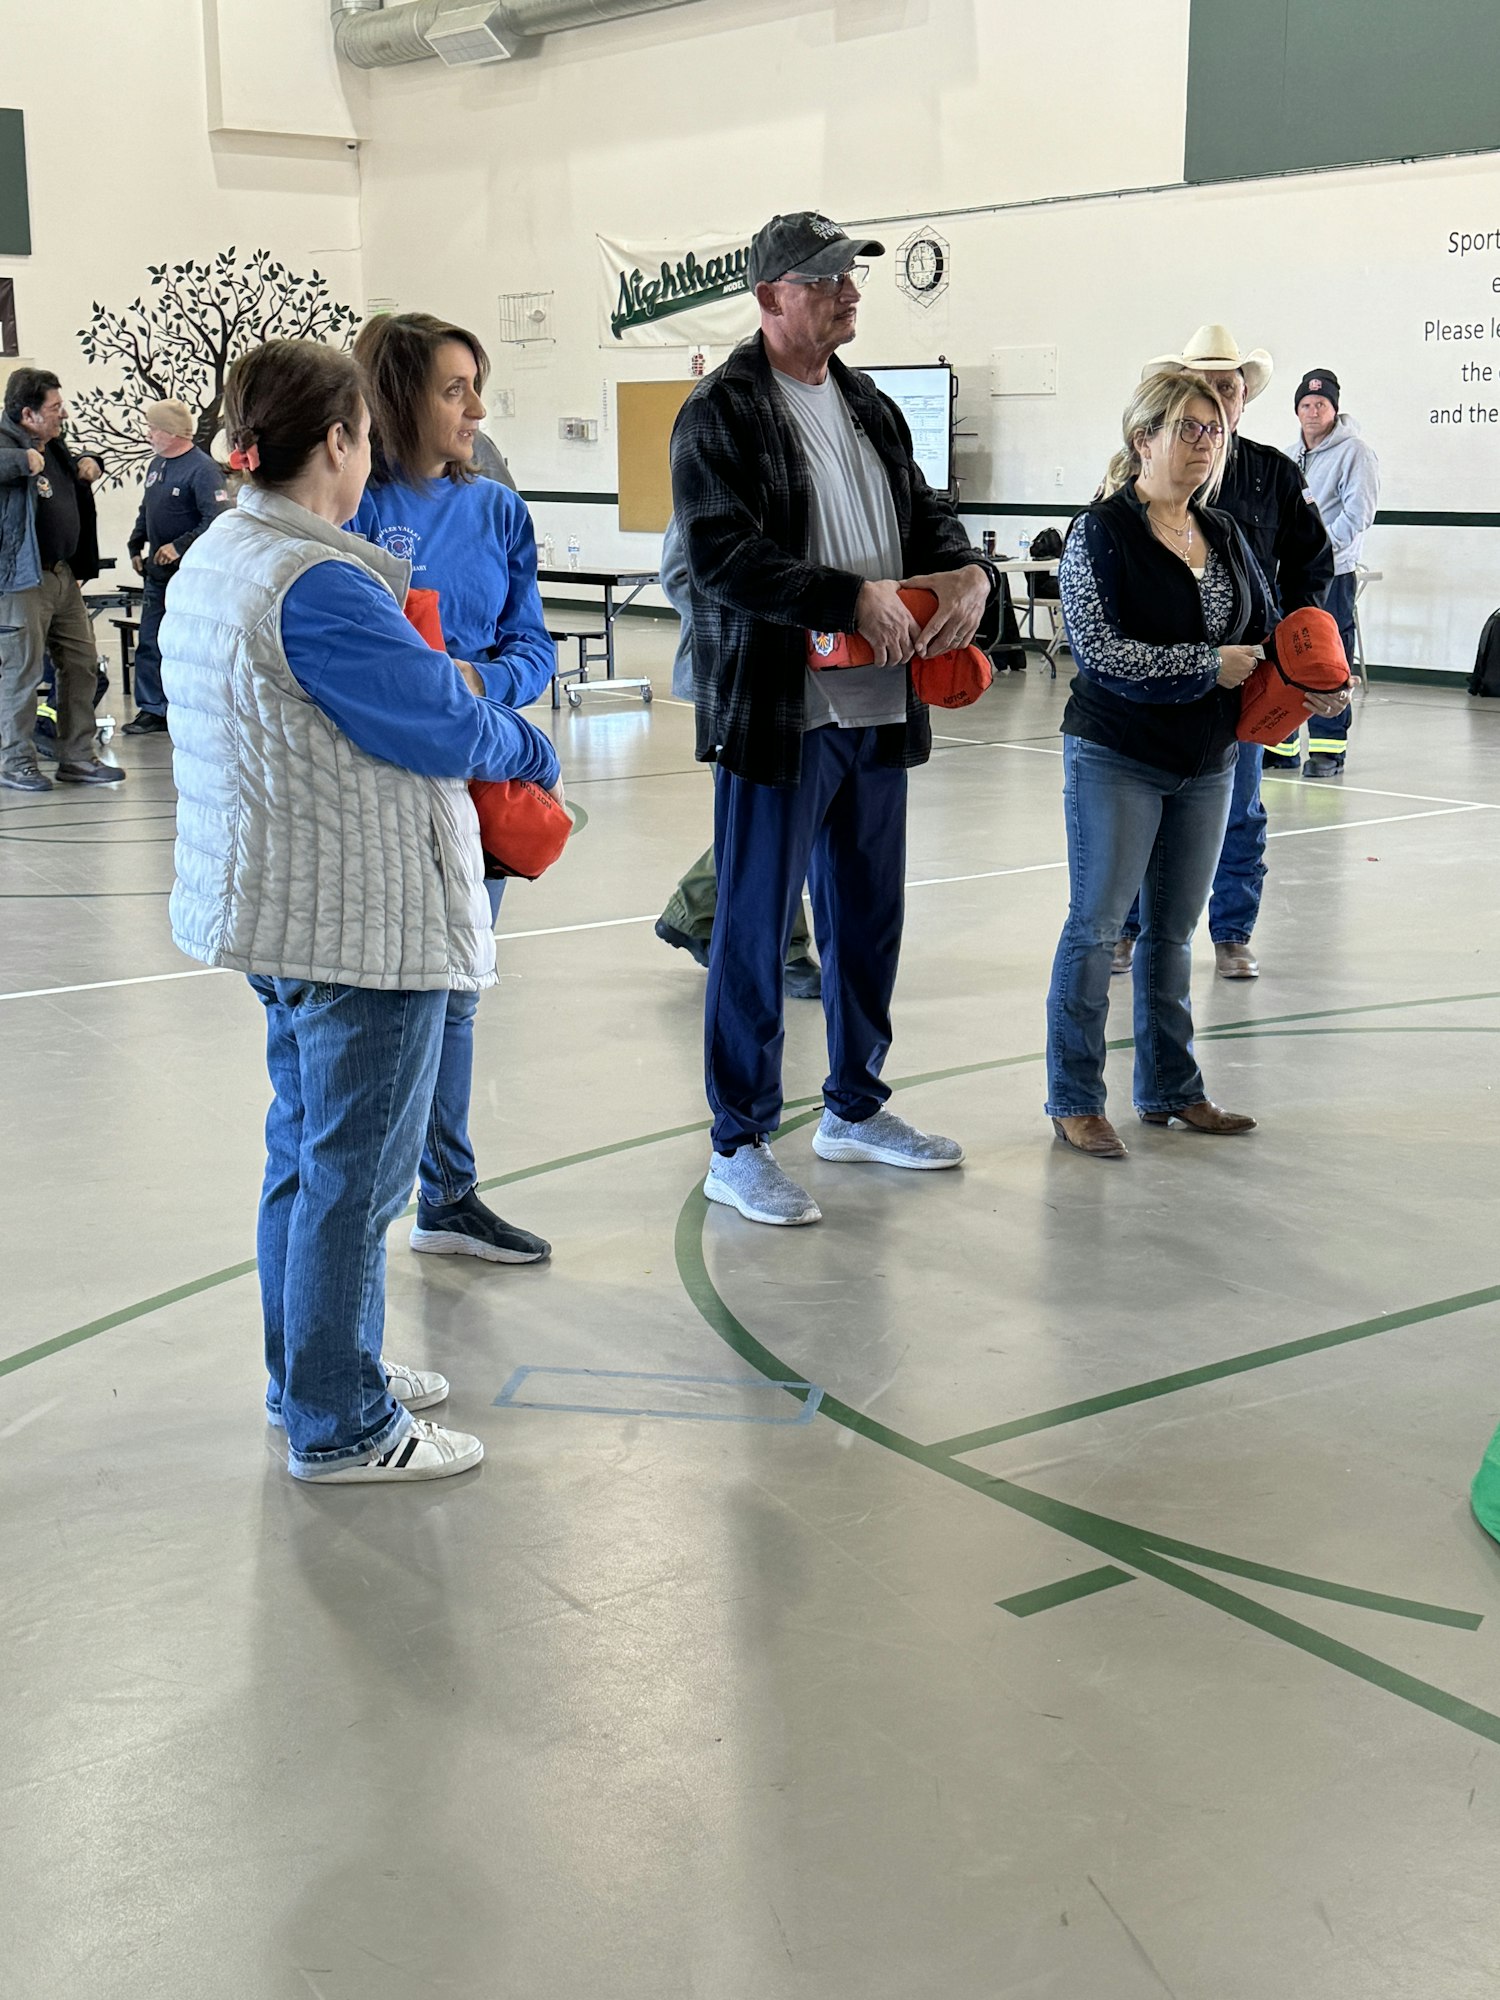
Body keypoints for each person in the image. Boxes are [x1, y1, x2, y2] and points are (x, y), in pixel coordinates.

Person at [160, 338, 562, 1482]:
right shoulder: (317, 580)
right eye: (365, 439)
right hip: (356, 922)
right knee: (353, 1177)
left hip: (286, 908)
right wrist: (529, 742)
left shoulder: (229, 551)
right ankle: (341, 1419)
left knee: (307, 1156)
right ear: (337, 441)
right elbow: (435, 714)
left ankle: (319, 1370)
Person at [671, 210, 998, 1227]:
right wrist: (844, 598)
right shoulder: (721, 411)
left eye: (850, 275)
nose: (848, 290)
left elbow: (925, 515)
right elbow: (723, 555)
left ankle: (854, 1106)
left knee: (867, 917)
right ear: (770, 297)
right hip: (778, 710)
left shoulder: (871, 406)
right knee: (757, 929)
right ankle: (739, 1141)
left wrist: (968, 574)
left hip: (876, 704)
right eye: (822, 278)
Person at [351, 310, 557, 1266]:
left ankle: (450, 1194)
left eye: (476, 386)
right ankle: (362, 1211)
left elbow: (532, 650)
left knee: (465, 989)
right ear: (399, 398)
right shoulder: (347, 507)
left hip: (474, 780)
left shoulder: (497, 510)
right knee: (388, 1007)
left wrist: (479, 686)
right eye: (452, 389)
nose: (476, 408)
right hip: (375, 794)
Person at [1045, 370, 1280, 1161]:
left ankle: (1173, 1090)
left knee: (1174, 935)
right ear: (1142, 438)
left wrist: (1306, 683)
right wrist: (1204, 667)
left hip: (1208, 761)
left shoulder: (1228, 534)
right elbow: (1100, 652)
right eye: (1187, 428)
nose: (1204, 444)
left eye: (1213, 431)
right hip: (1118, 754)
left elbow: (1270, 631)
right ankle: (1075, 1098)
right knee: (1097, 928)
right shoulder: (1101, 532)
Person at [1114, 325, 1334, 982]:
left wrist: (1294, 645)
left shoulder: (1273, 475)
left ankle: (1233, 932)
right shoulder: (1142, 469)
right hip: (1161, 678)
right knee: (1143, 810)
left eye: (1229, 388)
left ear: (1243, 400)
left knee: (1240, 811)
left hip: (1250, 679)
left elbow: (1311, 564)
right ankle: (1126, 931)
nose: (1217, 400)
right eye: (1205, 387)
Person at [654, 510, 822, 999]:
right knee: (768, 816)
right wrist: (761, 617)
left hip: (806, 675)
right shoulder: (715, 470)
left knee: (779, 815)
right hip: (731, 679)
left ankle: (695, 908)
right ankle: (785, 949)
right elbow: (678, 576)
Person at [0, 367, 119, 791]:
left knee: (82, 665)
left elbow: (73, 474)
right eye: (54, 408)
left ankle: (77, 756)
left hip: (63, 575)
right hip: (20, 580)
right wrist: (19, 461)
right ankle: (15, 762)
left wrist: (91, 463)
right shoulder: (7, 444)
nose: (62, 415)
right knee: (22, 672)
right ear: (28, 414)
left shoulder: (54, 445)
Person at [1283, 368, 1379, 776]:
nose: (1312, 412)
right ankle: (1281, 744)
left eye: (1320, 405)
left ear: (1334, 409)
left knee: (1330, 658)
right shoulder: (1290, 455)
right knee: (1284, 653)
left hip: (1333, 574)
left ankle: (1327, 748)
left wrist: (1319, 551)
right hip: (1289, 573)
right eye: (1305, 405)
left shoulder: (1355, 452)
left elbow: (1359, 513)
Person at [123, 399, 231, 735]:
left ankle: (195, 705)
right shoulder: (157, 465)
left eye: (153, 428)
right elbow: (148, 508)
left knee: (191, 645)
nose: (149, 435)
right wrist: (135, 543)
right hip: (158, 575)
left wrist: (179, 546)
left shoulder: (203, 470)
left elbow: (217, 519)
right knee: (150, 640)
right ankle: (152, 708)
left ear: (171, 432)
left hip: (191, 578)